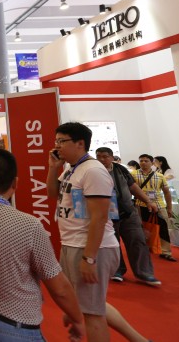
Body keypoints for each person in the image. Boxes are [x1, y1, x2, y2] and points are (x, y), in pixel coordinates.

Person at [0, 149, 84, 341]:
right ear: (15, 183)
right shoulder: (28, 225)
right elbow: (59, 288)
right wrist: (77, 319)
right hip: (15, 325)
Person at [46, 122, 120, 342]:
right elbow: (52, 194)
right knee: (87, 306)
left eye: (62, 141)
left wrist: (89, 258)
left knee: (92, 313)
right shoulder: (72, 169)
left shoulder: (93, 171)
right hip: (72, 243)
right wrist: (53, 168)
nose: (57, 146)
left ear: (80, 143)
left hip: (92, 248)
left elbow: (100, 217)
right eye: (56, 141)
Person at [95, 147, 161, 286]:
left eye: (105, 156)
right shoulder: (93, 171)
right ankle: (117, 270)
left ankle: (145, 273)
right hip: (107, 215)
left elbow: (133, 187)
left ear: (112, 157)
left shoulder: (121, 169)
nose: (101, 159)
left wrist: (148, 201)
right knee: (113, 244)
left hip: (128, 212)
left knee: (138, 240)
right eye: (98, 156)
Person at [133, 154, 175, 261]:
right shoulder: (133, 174)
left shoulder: (159, 176)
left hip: (159, 205)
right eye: (141, 161)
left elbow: (167, 192)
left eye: (146, 161)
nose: (143, 163)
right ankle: (146, 248)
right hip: (140, 205)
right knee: (142, 227)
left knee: (164, 227)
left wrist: (169, 208)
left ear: (152, 163)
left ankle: (166, 252)